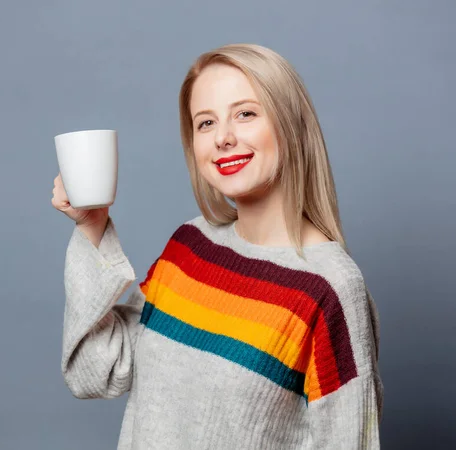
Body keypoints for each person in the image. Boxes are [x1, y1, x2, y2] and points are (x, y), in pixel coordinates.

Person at [52, 43, 384, 449]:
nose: (223, 138)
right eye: (205, 123)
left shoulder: (329, 288)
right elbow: (93, 371)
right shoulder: (190, 247)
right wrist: (92, 226)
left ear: (290, 124)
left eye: (245, 114)